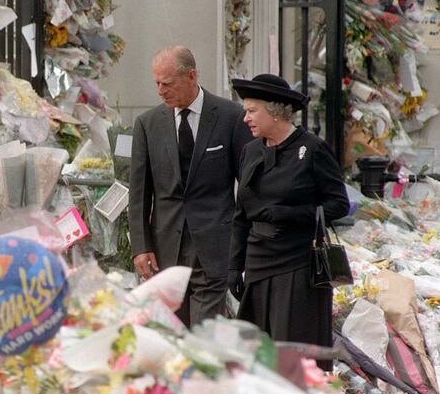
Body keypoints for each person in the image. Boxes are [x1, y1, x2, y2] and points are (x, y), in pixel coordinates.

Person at [129, 46, 252, 325]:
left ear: (191, 76)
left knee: (203, 334)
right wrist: (140, 245)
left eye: (167, 83)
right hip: (165, 248)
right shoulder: (147, 124)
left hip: (214, 246)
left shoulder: (230, 116)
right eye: (157, 83)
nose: (160, 91)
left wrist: (242, 242)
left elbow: (247, 185)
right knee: (170, 333)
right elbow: (139, 194)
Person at [228, 73, 349, 356]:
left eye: (252, 111)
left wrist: (289, 213)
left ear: (276, 111)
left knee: (293, 353)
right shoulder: (250, 151)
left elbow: (339, 204)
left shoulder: (313, 149)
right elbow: (241, 214)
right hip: (258, 263)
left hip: (297, 265)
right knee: (256, 354)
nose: (246, 118)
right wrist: (234, 266)